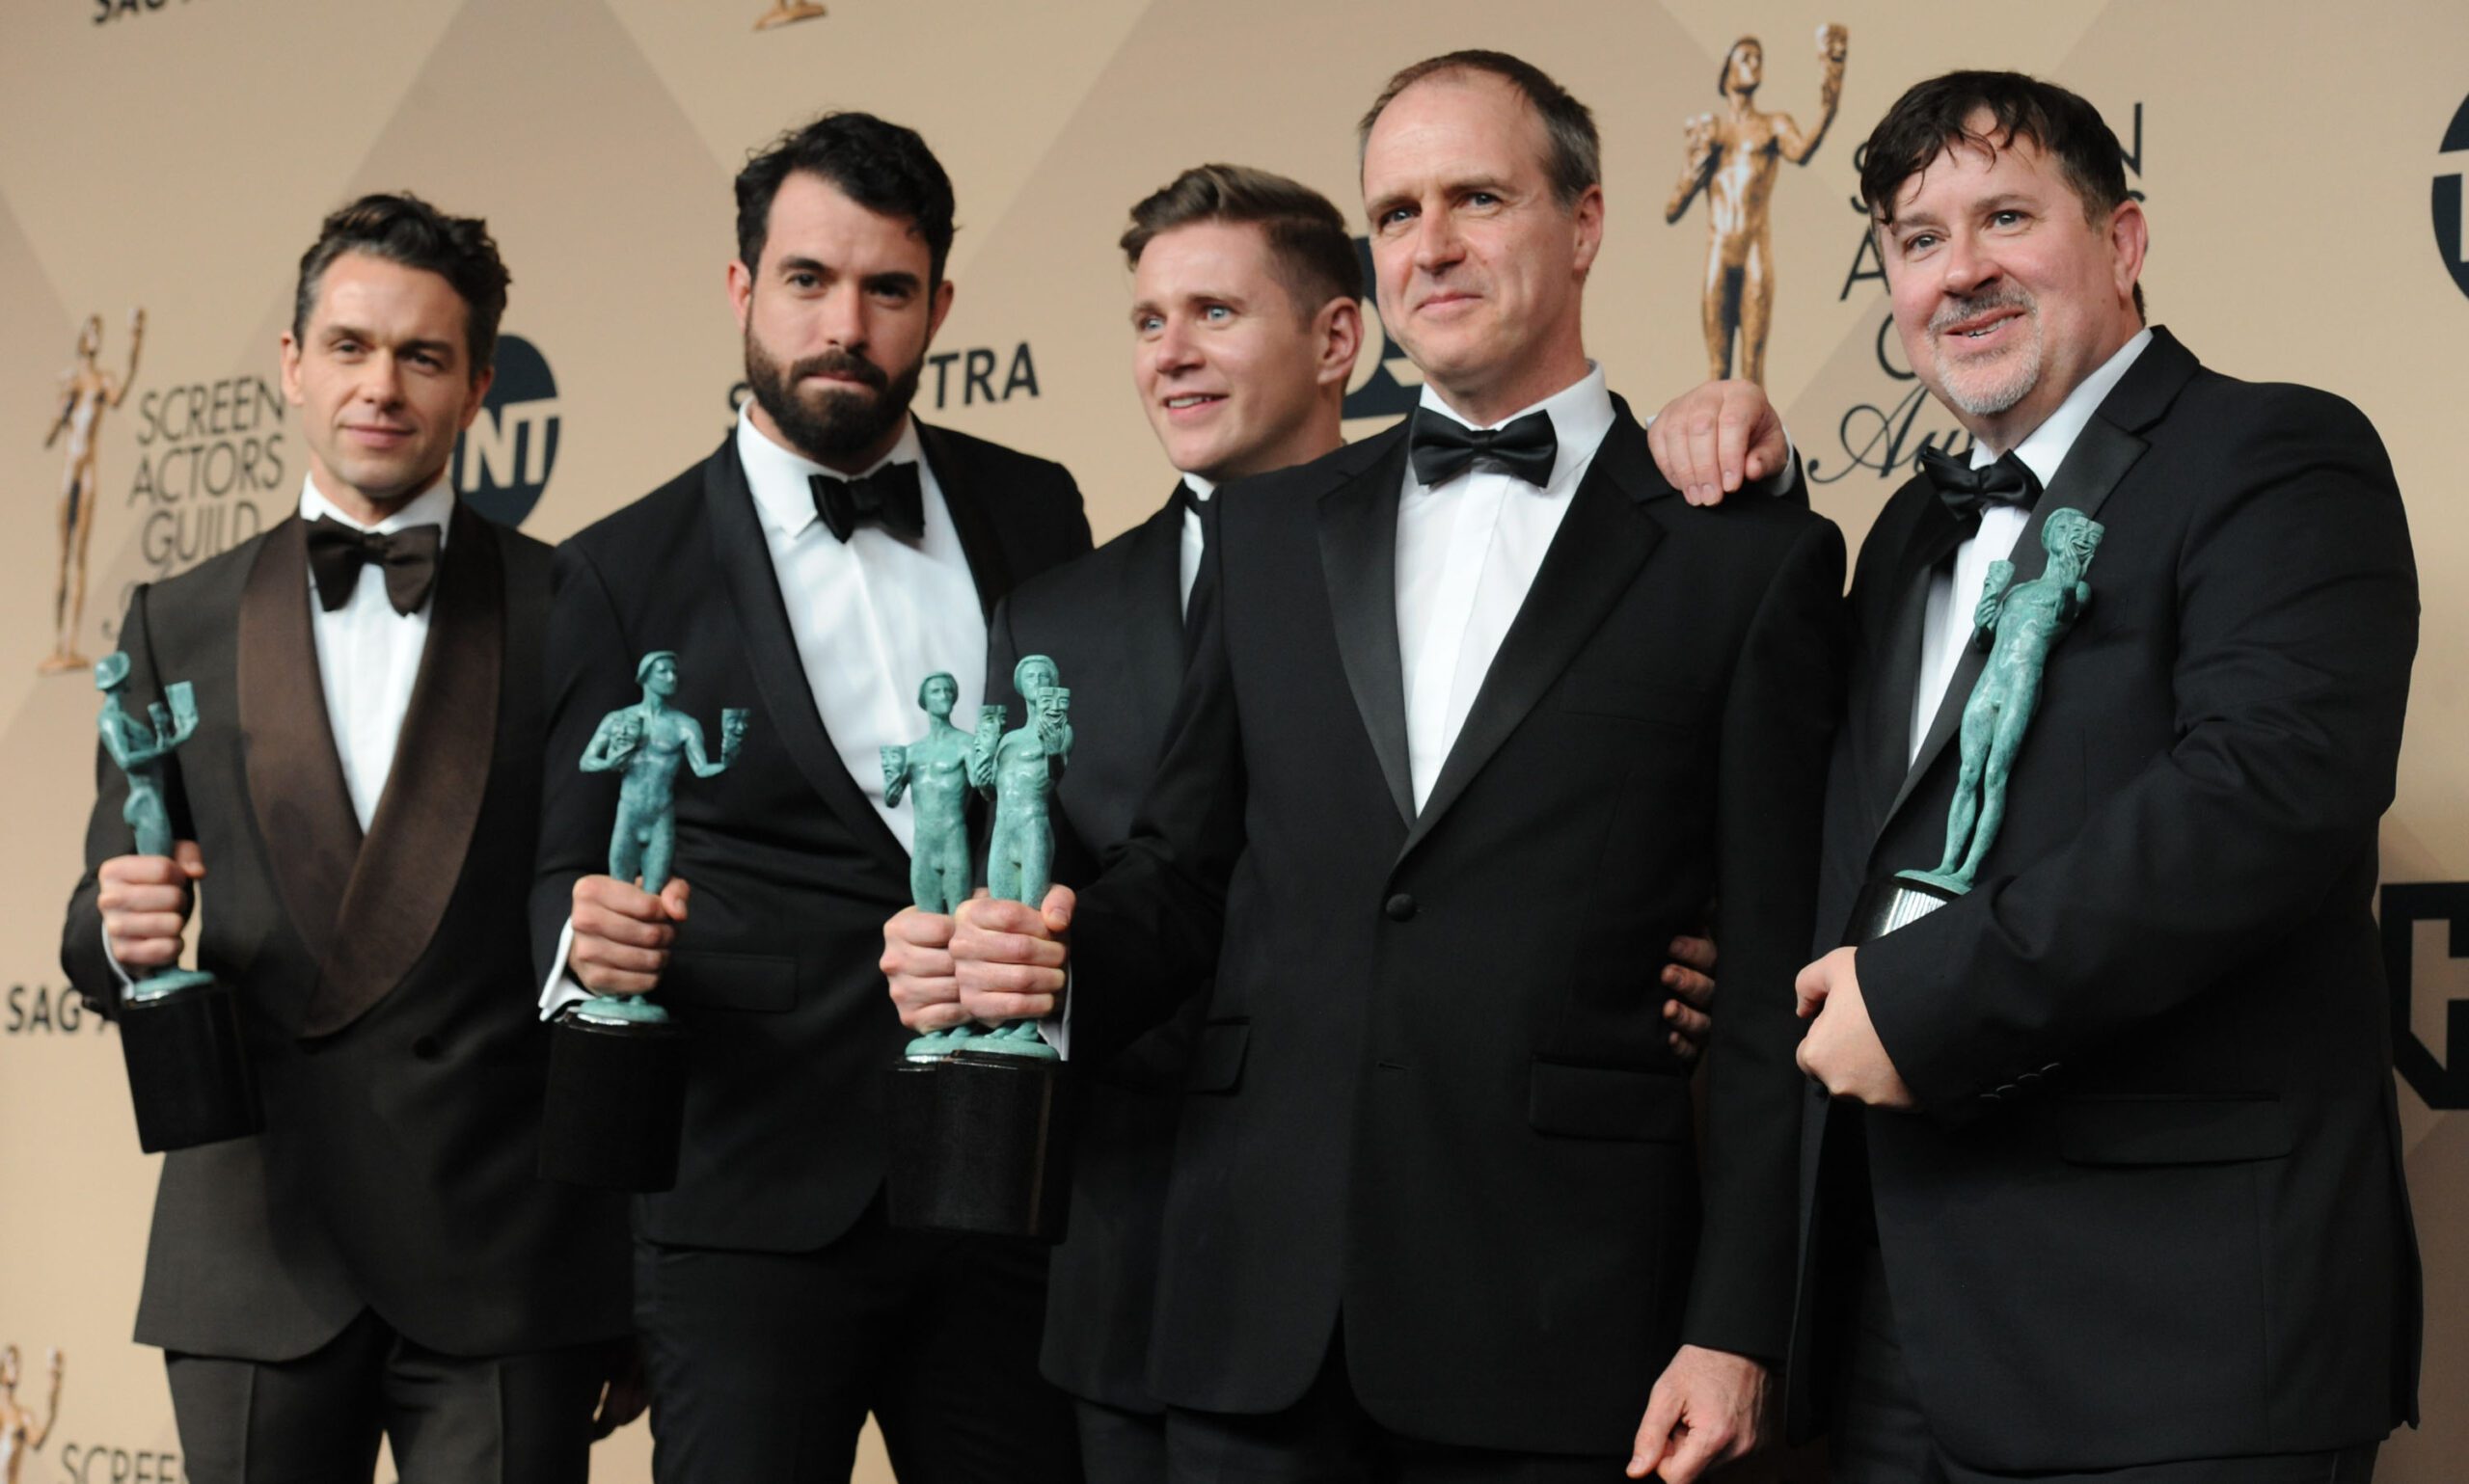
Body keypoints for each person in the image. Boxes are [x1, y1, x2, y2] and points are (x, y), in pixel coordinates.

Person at [936, 52, 1843, 1483]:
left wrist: (1740, 1325)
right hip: (1256, 1314)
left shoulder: (1744, 559)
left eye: (1478, 196)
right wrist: (1043, 963)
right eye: (1399, 208)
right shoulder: (1265, 532)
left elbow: (1767, 992)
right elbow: (1179, 876)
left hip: (1566, 1324)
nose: (1432, 243)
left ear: (1589, 221)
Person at [1739, 69, 2416, 1483]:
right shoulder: (1909, 530)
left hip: (2181, 1346)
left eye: (2006, 216)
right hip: (1899, 1332)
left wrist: (1922, 1003)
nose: (1961, 269)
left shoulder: (2277, 455)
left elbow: (2262, 799)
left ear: (2124, 242)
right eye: (1918, 239)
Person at [531, 111, 1089, 1483]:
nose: (846, 323)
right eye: (807, 281)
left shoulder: (1038, 506)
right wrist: (580, 947)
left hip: (1005, 1193)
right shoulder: (617, 567)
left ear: (938, 305)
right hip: (746, 1207)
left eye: (887, 289)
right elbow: (561, 863)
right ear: (741, 289)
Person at [59, 193, 635, 1484]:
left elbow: (597, 936)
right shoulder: (173, 619)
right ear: (292, 364)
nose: (382, 385)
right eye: (352, 346)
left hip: (506, 1250)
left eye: (423, 356)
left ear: (481, 381)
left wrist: (625, 1253)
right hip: (259, 1243)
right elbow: (98, 927)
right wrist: (120, 928)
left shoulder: (571, 601)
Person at [1664, 27, 1847, 385]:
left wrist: (1832, 77)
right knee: (1717, 372)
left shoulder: (1773, 126)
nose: (1755, 64)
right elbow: (1673, 208)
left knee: (1752, 372)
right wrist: (1693, 166)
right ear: (1727, 72)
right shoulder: (1711, 132)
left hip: (1753, 253)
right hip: (1719, 251)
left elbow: (1804, 148)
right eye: (1745, 57)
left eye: (1758, 58)